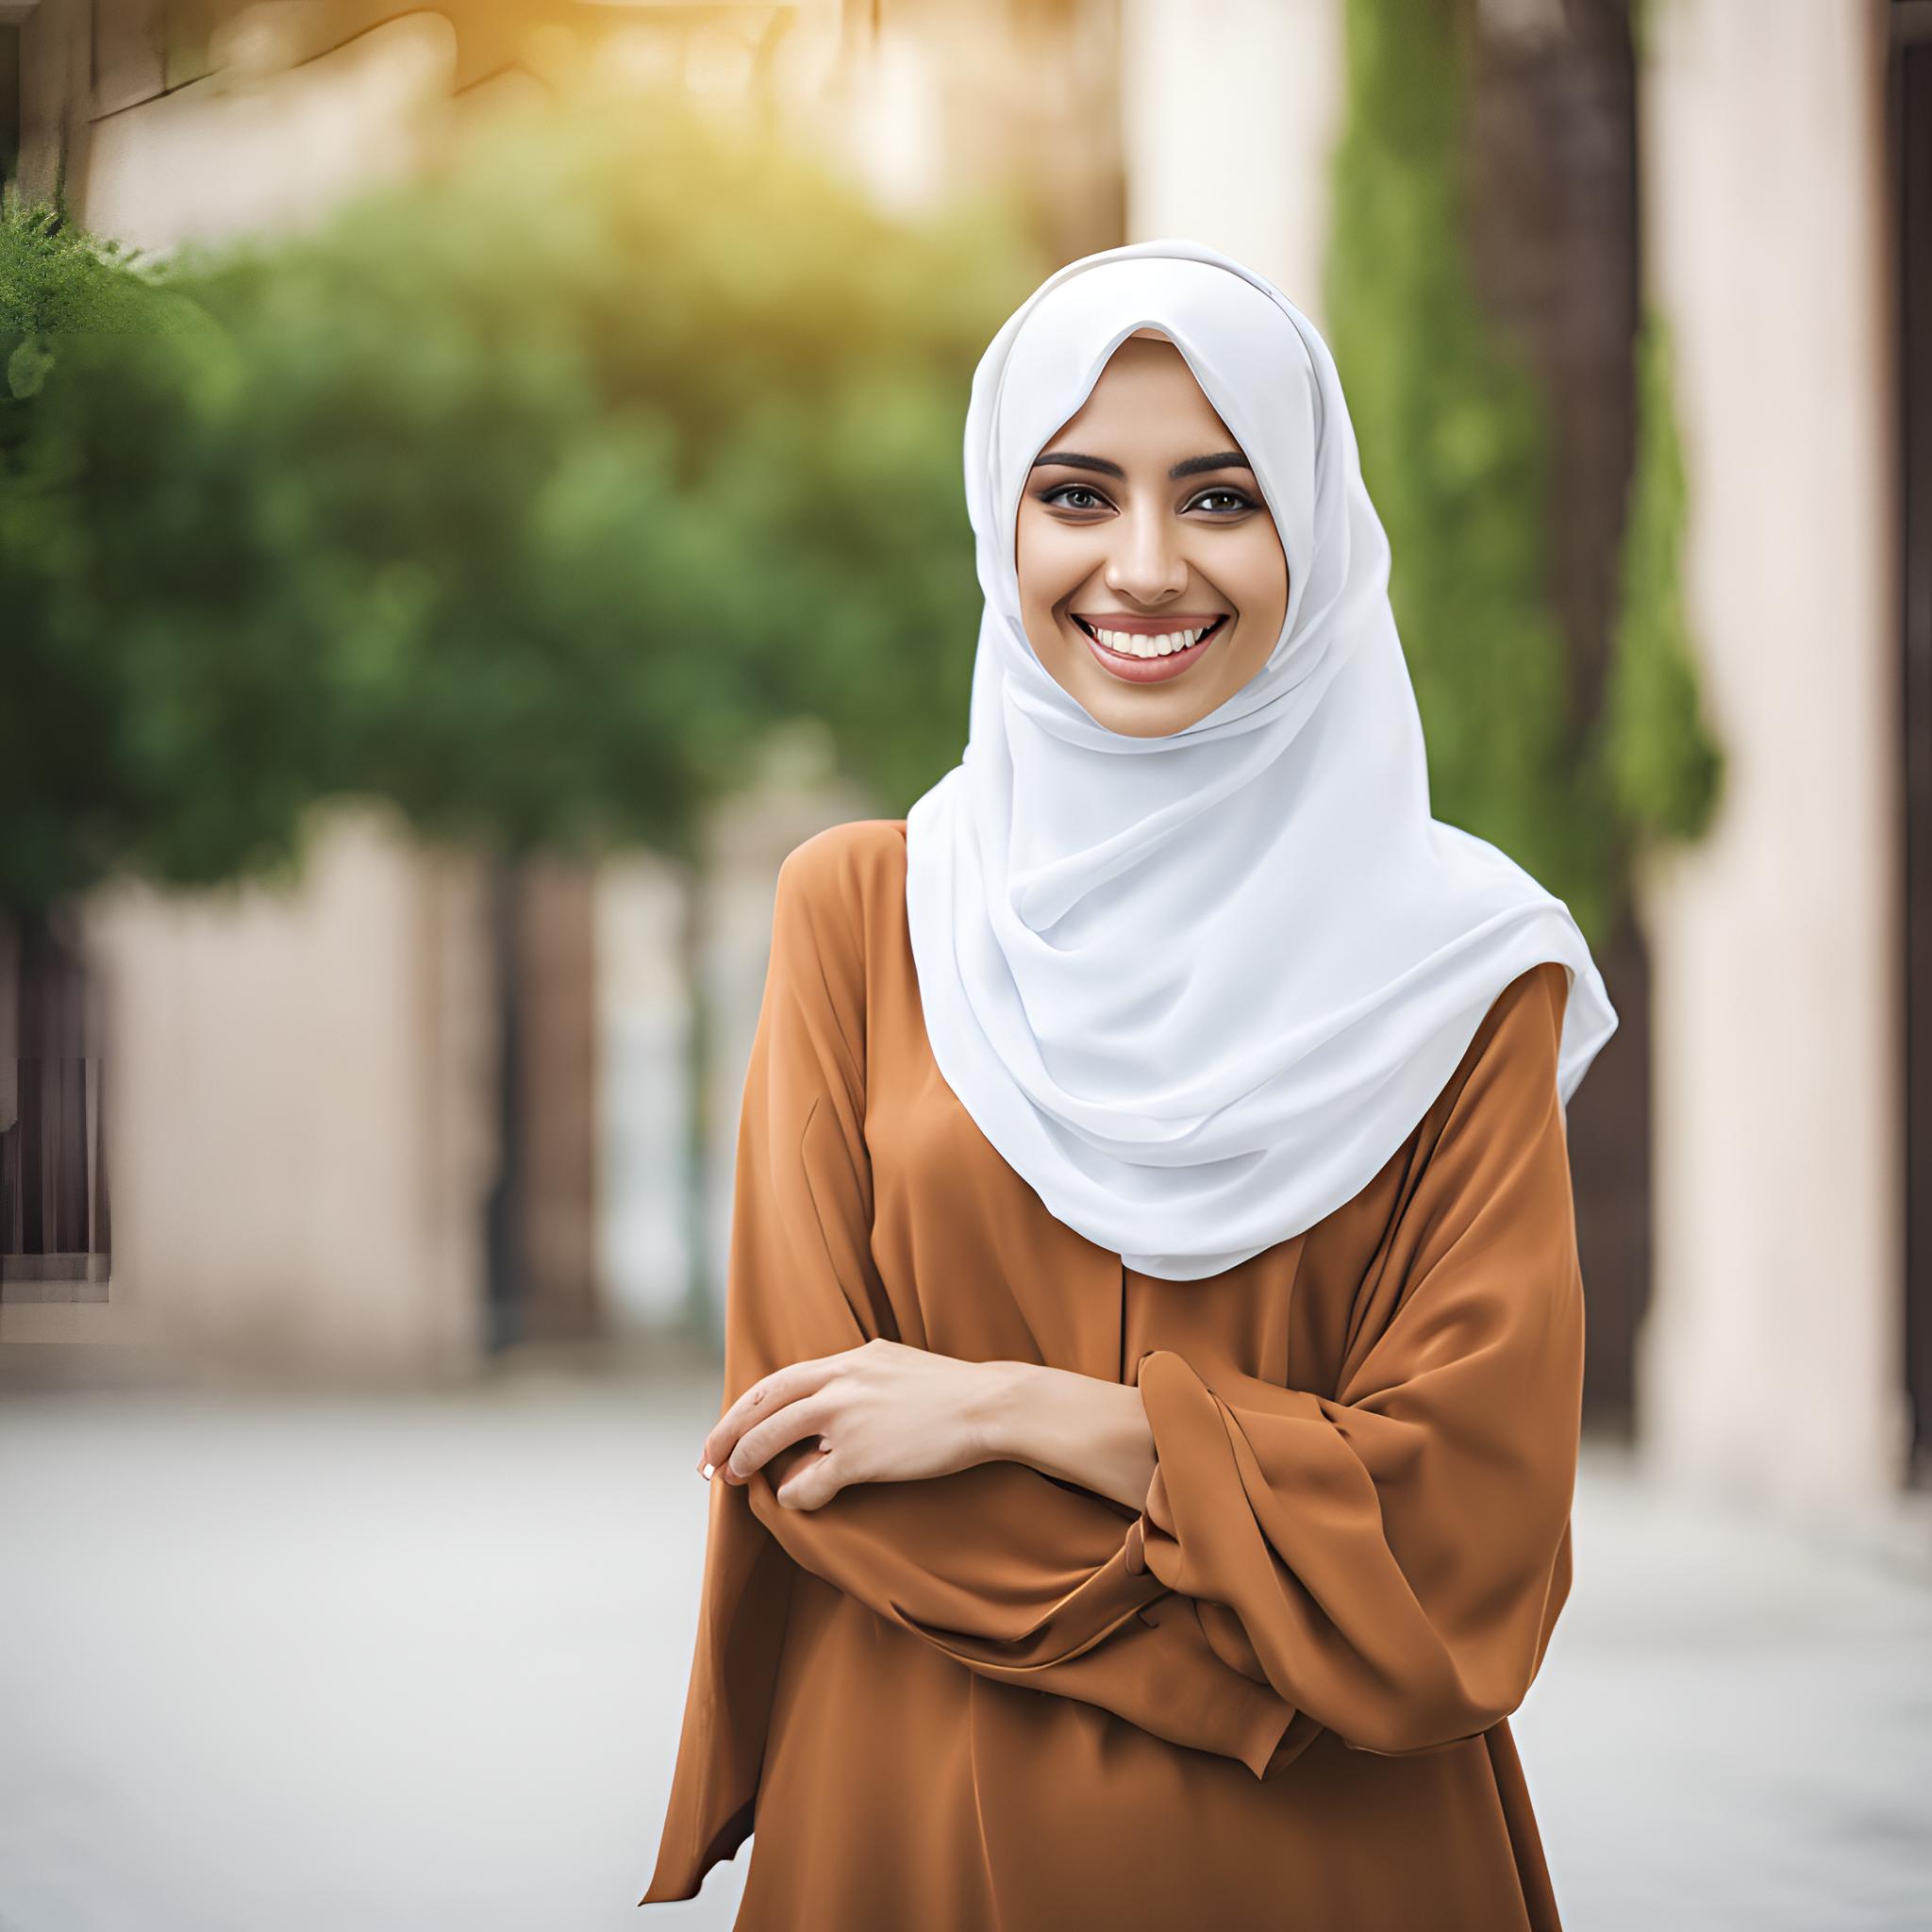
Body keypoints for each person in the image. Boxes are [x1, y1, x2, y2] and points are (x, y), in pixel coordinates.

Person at [639, 239, 1619, 1930]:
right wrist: (1270, 1611)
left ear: (1315, 530)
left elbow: (1470, 1522)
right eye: (1078, 495)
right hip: (939, 1825)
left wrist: (1021, 1410)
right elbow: (808, 1444)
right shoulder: (868, 916)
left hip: (1335, 1867)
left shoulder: (1467, 969)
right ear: (999, 526)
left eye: (1222, 498)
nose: (1146, 568)